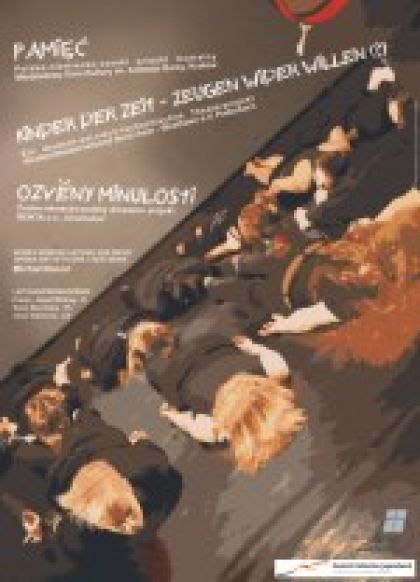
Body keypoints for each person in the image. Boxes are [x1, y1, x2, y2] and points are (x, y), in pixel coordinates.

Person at [257, 189, 420, 366]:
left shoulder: (360, 282)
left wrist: (283, 325)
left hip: (320, 280)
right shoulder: (386, 239)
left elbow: (317, 315)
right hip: (327, 267)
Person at [125, 317, 306, 474]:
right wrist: (252, 347)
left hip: (213, 357)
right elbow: (190, 423)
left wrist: (171, 415)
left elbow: (192, 424)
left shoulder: (215, 427)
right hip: (211, 356)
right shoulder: (215, 428)